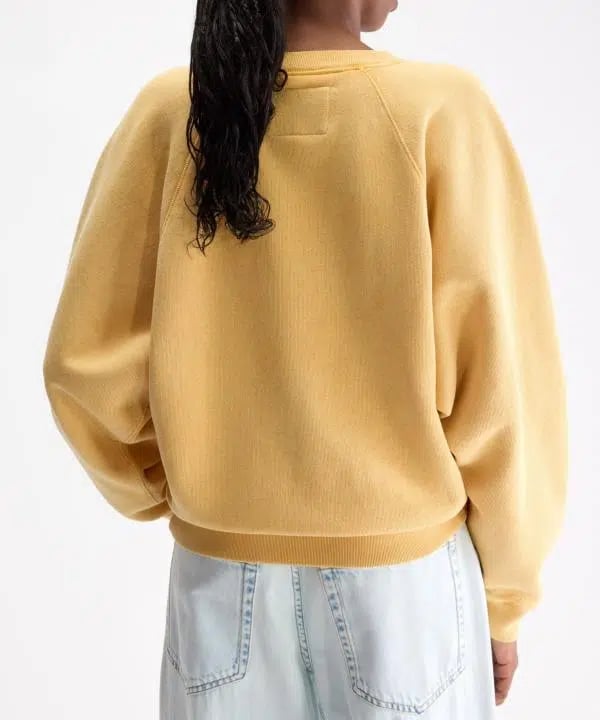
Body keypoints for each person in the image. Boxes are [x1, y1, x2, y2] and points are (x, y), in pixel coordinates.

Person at [42, 0, 568, 717]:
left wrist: (192, 487)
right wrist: (505, 597)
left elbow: (82, 367)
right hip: (402, 592)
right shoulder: (438, 110)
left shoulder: (172, 114)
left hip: (218, 583)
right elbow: (506, 393)